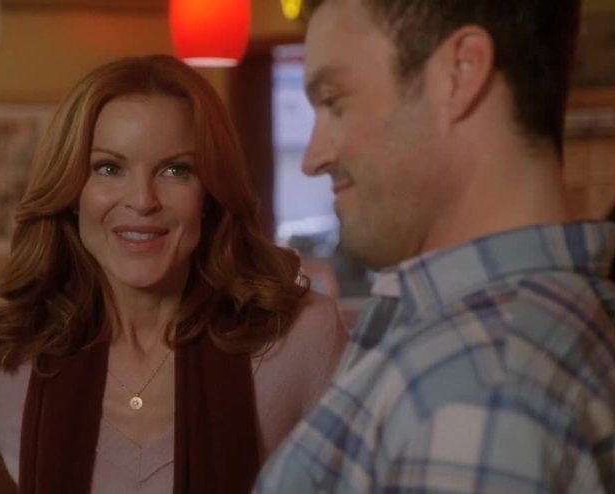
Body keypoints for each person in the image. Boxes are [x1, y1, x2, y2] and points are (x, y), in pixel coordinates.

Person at [0, 54, 347, 493]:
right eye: (109, 168)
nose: (142, 200)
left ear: (210, 194)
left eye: (176, 170)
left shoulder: (302, 338)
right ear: (71, 191)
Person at [256, 0, 615, 492]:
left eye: (334, 102)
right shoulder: (547, 325)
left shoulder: (478, 394)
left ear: (459, 73)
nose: (313, 158)